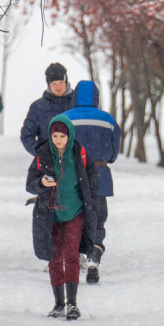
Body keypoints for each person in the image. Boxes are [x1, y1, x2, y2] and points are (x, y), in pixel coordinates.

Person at [25, 115, 100, 319]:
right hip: (51, 215)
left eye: (62, 136)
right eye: (55, 135)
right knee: (55, 257)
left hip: (75, 212)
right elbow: (29, 183)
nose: (58, 140)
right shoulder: (42, 155)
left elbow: (93, 180)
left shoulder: (79, 153)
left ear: (70, 135)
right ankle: (58, 304)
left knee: (71, 255)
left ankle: (72, 304)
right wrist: (41, 183)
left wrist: (91, 203)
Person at [64, 80, 120, 284]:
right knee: (97, 218)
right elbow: (114, 152)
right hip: (100, 174)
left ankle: (75, 255)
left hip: (72, 176)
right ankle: (94, 256)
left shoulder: (65, 118)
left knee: (74, 217)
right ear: (96, 97)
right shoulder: (108, 120)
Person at [20, 62, 75, 155]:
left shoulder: (77, 104)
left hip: (75, 161)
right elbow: (27, 135)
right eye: (54, 84)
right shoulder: (37, 107)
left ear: (66, 82)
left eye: (61, 83)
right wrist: (42, 154)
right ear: (49, 85)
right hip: (48, 162)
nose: (58, 87)